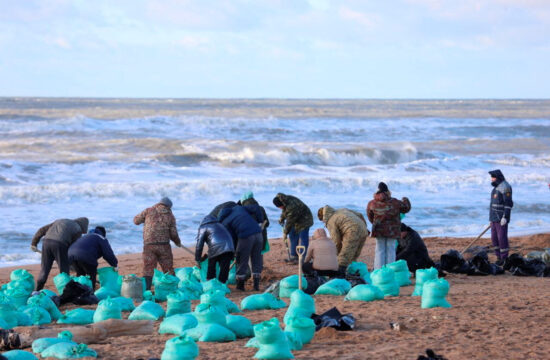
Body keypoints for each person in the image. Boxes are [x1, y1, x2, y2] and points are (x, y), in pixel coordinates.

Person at [134, 197, 182, 290]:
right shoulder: (170, 216)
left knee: (148, 269)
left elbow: (136, 221)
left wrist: (146, 220)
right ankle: (173, 289)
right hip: (164, 246)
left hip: (149, 245)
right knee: (168, 268)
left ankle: (147, 290)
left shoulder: (148, 211)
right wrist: (177, 242)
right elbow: (173, 233)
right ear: (169, 207)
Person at [31, 217, 89, 291]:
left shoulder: (60, 221)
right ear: (83, 226)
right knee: (64, 271)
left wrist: (34, 243)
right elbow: (74, 248)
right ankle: (65, 292)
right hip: (61, 244)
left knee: (45, 269)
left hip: (46, 242)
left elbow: (41, 230)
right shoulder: (78, 229)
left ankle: (37, 290)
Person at [218, 204, 264, 291]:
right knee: (256, 259)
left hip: (246, 237)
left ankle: (240, 286)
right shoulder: (239, 208)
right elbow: (256, 207)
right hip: (259, 234)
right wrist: (260, 221)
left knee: (241, 259)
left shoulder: (225, 222)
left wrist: (235, 251)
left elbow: (232, 238)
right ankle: (256, 286)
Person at [367, 182, 411, 269]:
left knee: (379, 250)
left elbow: (370, 216)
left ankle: (379, 271)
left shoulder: (371, 203)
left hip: (378, 229)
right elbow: (406, 208)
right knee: (390, 250)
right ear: (388, 192)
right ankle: (390, 271)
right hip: (393, 230)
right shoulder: (395, 202)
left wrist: (375, 224)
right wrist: (406, 199)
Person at [318, 205, 369, 273]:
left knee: (343, 257)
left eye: (323, 221)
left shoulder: (331, 221)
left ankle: (340, 276)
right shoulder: (342, 210)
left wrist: (337, 254)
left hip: (352, 231)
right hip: (363, 230)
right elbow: (359, 215)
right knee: (353, 256)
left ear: (323, 218)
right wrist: (364, 227)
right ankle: (353, 273)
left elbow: (336, 241)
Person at [272, 193, 313, 264]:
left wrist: (285, 233)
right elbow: (285, 210)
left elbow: (289, 221)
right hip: (296, 219)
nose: (280, 208)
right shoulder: (283, 200)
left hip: (305, 220)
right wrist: (281, 218)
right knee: (292, 236)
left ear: (282, 203)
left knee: (303, 238)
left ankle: (302, 258)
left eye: (280, 207)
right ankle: (294, 256)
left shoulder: (292, 206)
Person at [194, 215, 235, 283]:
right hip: (230, 247)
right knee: (224, 269)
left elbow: (199, 245)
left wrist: (197, 259)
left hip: (216, 248)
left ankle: (211, 284)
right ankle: (222, 285)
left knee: (211, 266)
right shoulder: (220, 225)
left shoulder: (203, 227)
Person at [489, 169, 513, 263]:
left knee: (502, 238)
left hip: (501, 218)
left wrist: (505, 217)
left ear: (498, 177)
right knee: (494, 238)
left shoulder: (505, 187)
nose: (491, 179)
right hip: (493, 218)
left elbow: (508, 203)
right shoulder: (496, 187)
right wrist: (491, 219)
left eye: (493, 177)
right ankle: (498, 257)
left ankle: (504, 258)